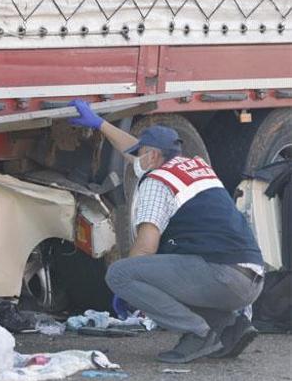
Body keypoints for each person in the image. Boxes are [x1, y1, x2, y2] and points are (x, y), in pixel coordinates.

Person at [69, 99, 265, 364]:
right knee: (173, 271)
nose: (135, 160)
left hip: (223, 277)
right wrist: (100, 124)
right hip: (248, 278)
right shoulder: (194, 167)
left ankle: (198, 333)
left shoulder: (157, 182)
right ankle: (230, 327)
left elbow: (146, 246)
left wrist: (127, 288)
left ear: (152, 156)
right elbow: (133, 152)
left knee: (121, 273)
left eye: (141, 154)